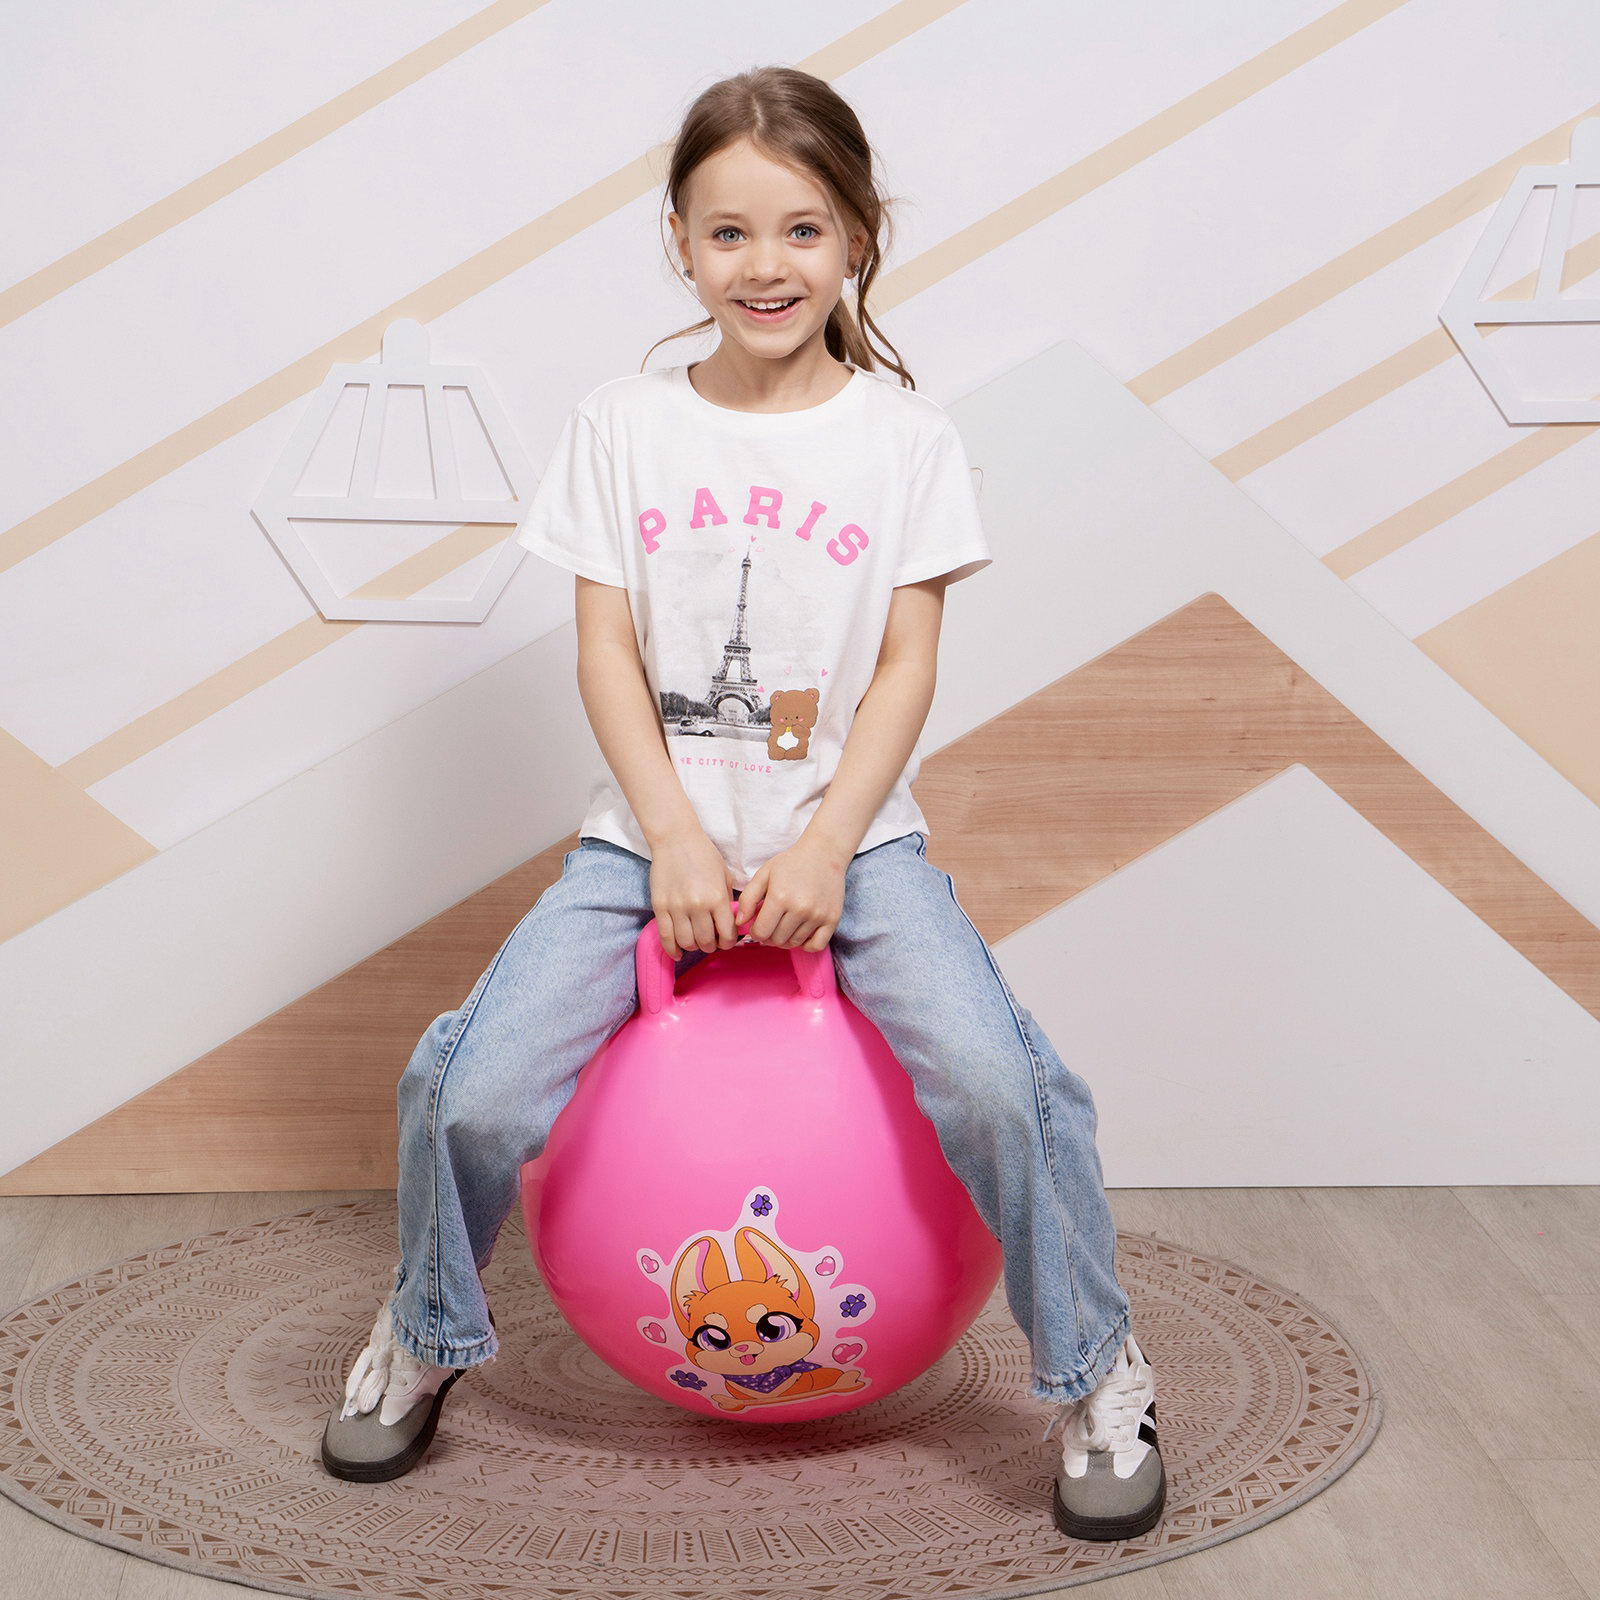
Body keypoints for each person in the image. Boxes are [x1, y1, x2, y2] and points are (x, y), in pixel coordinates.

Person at [320, 64, 1164, 1542]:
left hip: (856, 843)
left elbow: (905, 666)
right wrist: (671, 836)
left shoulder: (905, 440)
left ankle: (1099, 1373)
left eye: (801, 229)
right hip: (642, 840)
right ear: (679, 241)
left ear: (857, 237)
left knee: (994, 1079)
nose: (765, 266)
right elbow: (603, 649)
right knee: (471, 1084)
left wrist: (828, 843)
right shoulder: (622, 426)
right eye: (728, 233)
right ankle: (428, 1324)